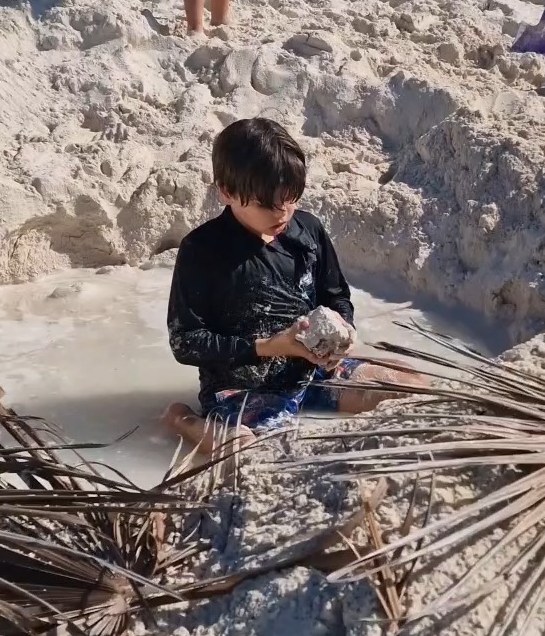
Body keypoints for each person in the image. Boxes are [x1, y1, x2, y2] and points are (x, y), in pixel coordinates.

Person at [163, 118, 418, 454]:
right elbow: (185, 342)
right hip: (243, 386)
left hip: (313, 370)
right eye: (268, 204)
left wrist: (343, 331)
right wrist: (270, 345)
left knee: (414, 390)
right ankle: (180, 418)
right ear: (226, 191)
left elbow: (336, 295)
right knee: (250, 451)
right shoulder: (202, 250)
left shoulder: (308, 231)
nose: (283, 213)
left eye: (291, 198)